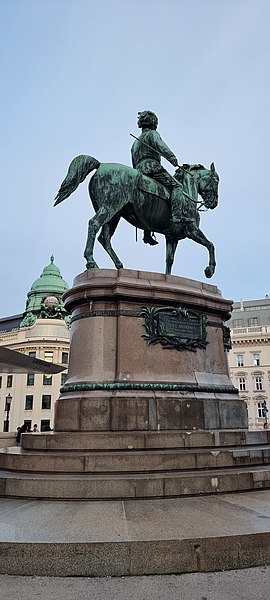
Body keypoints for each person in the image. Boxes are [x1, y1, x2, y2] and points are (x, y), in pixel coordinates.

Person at [131, 110, 187, 245]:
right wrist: (172, 158)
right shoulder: (152, 134)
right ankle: (176, 218)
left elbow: (133, 161)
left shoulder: (135, 143)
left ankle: (147, 233)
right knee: (178, 187)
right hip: (152, 168)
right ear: (153, 122)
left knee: (150, 198)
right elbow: (161, 146)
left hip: (138, 171)